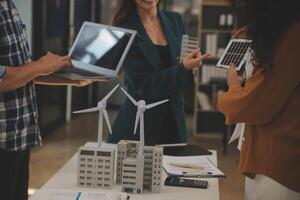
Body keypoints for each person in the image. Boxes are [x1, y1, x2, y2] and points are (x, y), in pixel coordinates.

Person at [0, 0, 92, 199]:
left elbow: (21, 70)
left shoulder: (8, 5)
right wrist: (42, 65)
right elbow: (3, 79)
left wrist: (70, 78)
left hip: (17, 137)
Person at [218, 0, 300, 199]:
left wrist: (233, 88)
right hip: (273, 161)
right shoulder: (286, 29)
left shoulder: (290, 36)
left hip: (278, 167)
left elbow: (253, 104)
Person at [108, 0, 208, 145]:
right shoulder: (124, 29)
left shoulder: (176, 20)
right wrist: (183, 68)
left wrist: (190, 66)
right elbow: (144, 86)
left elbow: (185, 75)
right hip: (140, 125)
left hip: (174, 122)